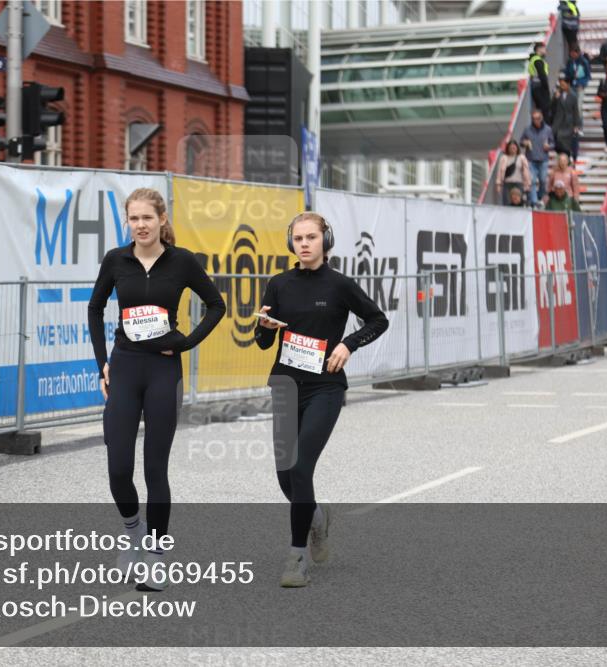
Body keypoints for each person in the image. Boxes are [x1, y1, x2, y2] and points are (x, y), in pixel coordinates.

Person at [88, 188, 226, 591]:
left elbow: (216, 304)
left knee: (155, 470)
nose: (141, 225)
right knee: (118, 469)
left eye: (148, 217)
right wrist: (102, 364)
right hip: (126, 368)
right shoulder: (117, 259)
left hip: (164, 370)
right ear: (127, 222)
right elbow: (95, 308)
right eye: (134, 218)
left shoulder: (182, 262)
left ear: (162, 219)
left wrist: (185, 343)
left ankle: (157, 556)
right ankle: (133, 535)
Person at [254, 212, 389, 587]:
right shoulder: (278, 284)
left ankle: (297, 558)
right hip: (285, 384)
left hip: (325, 387)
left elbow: (378, 320)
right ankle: (317, 517)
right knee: (285, 477)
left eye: (311, 237)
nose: (305, 244)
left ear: (325, 241)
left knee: (300, 469)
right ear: (290, 243)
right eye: (298, 238)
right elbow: (264, 341)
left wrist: (348, 343)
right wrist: (262, 328)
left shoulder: (340, 285)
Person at [520, 110, 555, 207]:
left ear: (542, 118)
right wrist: (525, 143)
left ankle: (540, 196)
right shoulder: (527, 129)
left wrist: (549, 146)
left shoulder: (548, 129)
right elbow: (521, 141)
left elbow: (553, 143)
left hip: (543, 159)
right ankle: (535, 201)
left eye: (538, 118)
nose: (536, 121)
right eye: (534, 119)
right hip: (531, 159)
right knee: (531, 180)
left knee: (543, 180)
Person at [549, 74, 581, 159]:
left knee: (564, 141)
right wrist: (555, 98)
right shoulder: (557, 94)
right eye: (561, 85)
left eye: (563, 85)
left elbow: (576, 111)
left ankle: (566, 158)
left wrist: (576, 125)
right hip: (557, 121)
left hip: (568, 122)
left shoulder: (573, 96)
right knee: (556, 140)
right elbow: (552, 108)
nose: (562, 87)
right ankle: (564, 157)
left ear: (568, 84)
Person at [495, 139, 532, 206]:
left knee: (519, 203)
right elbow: (499, 172)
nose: (513, 149)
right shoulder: (504, 158)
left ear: (517, 148)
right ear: (508, 148)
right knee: (506, 203)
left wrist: (528, 183)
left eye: (514, 147)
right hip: (507, 183)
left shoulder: (522, 157)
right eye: (511, 147)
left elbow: (526, 171)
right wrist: (498, 184)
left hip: (519, 183)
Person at [528, 41, 551, 121]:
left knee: (540, 111)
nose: (545, 50)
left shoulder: (533, 59)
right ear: (539, 49)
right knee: (546, 112)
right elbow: (542, 76)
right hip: (540, 88)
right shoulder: (538, 61)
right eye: (544, 48)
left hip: (535, 87)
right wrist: (547, 89)